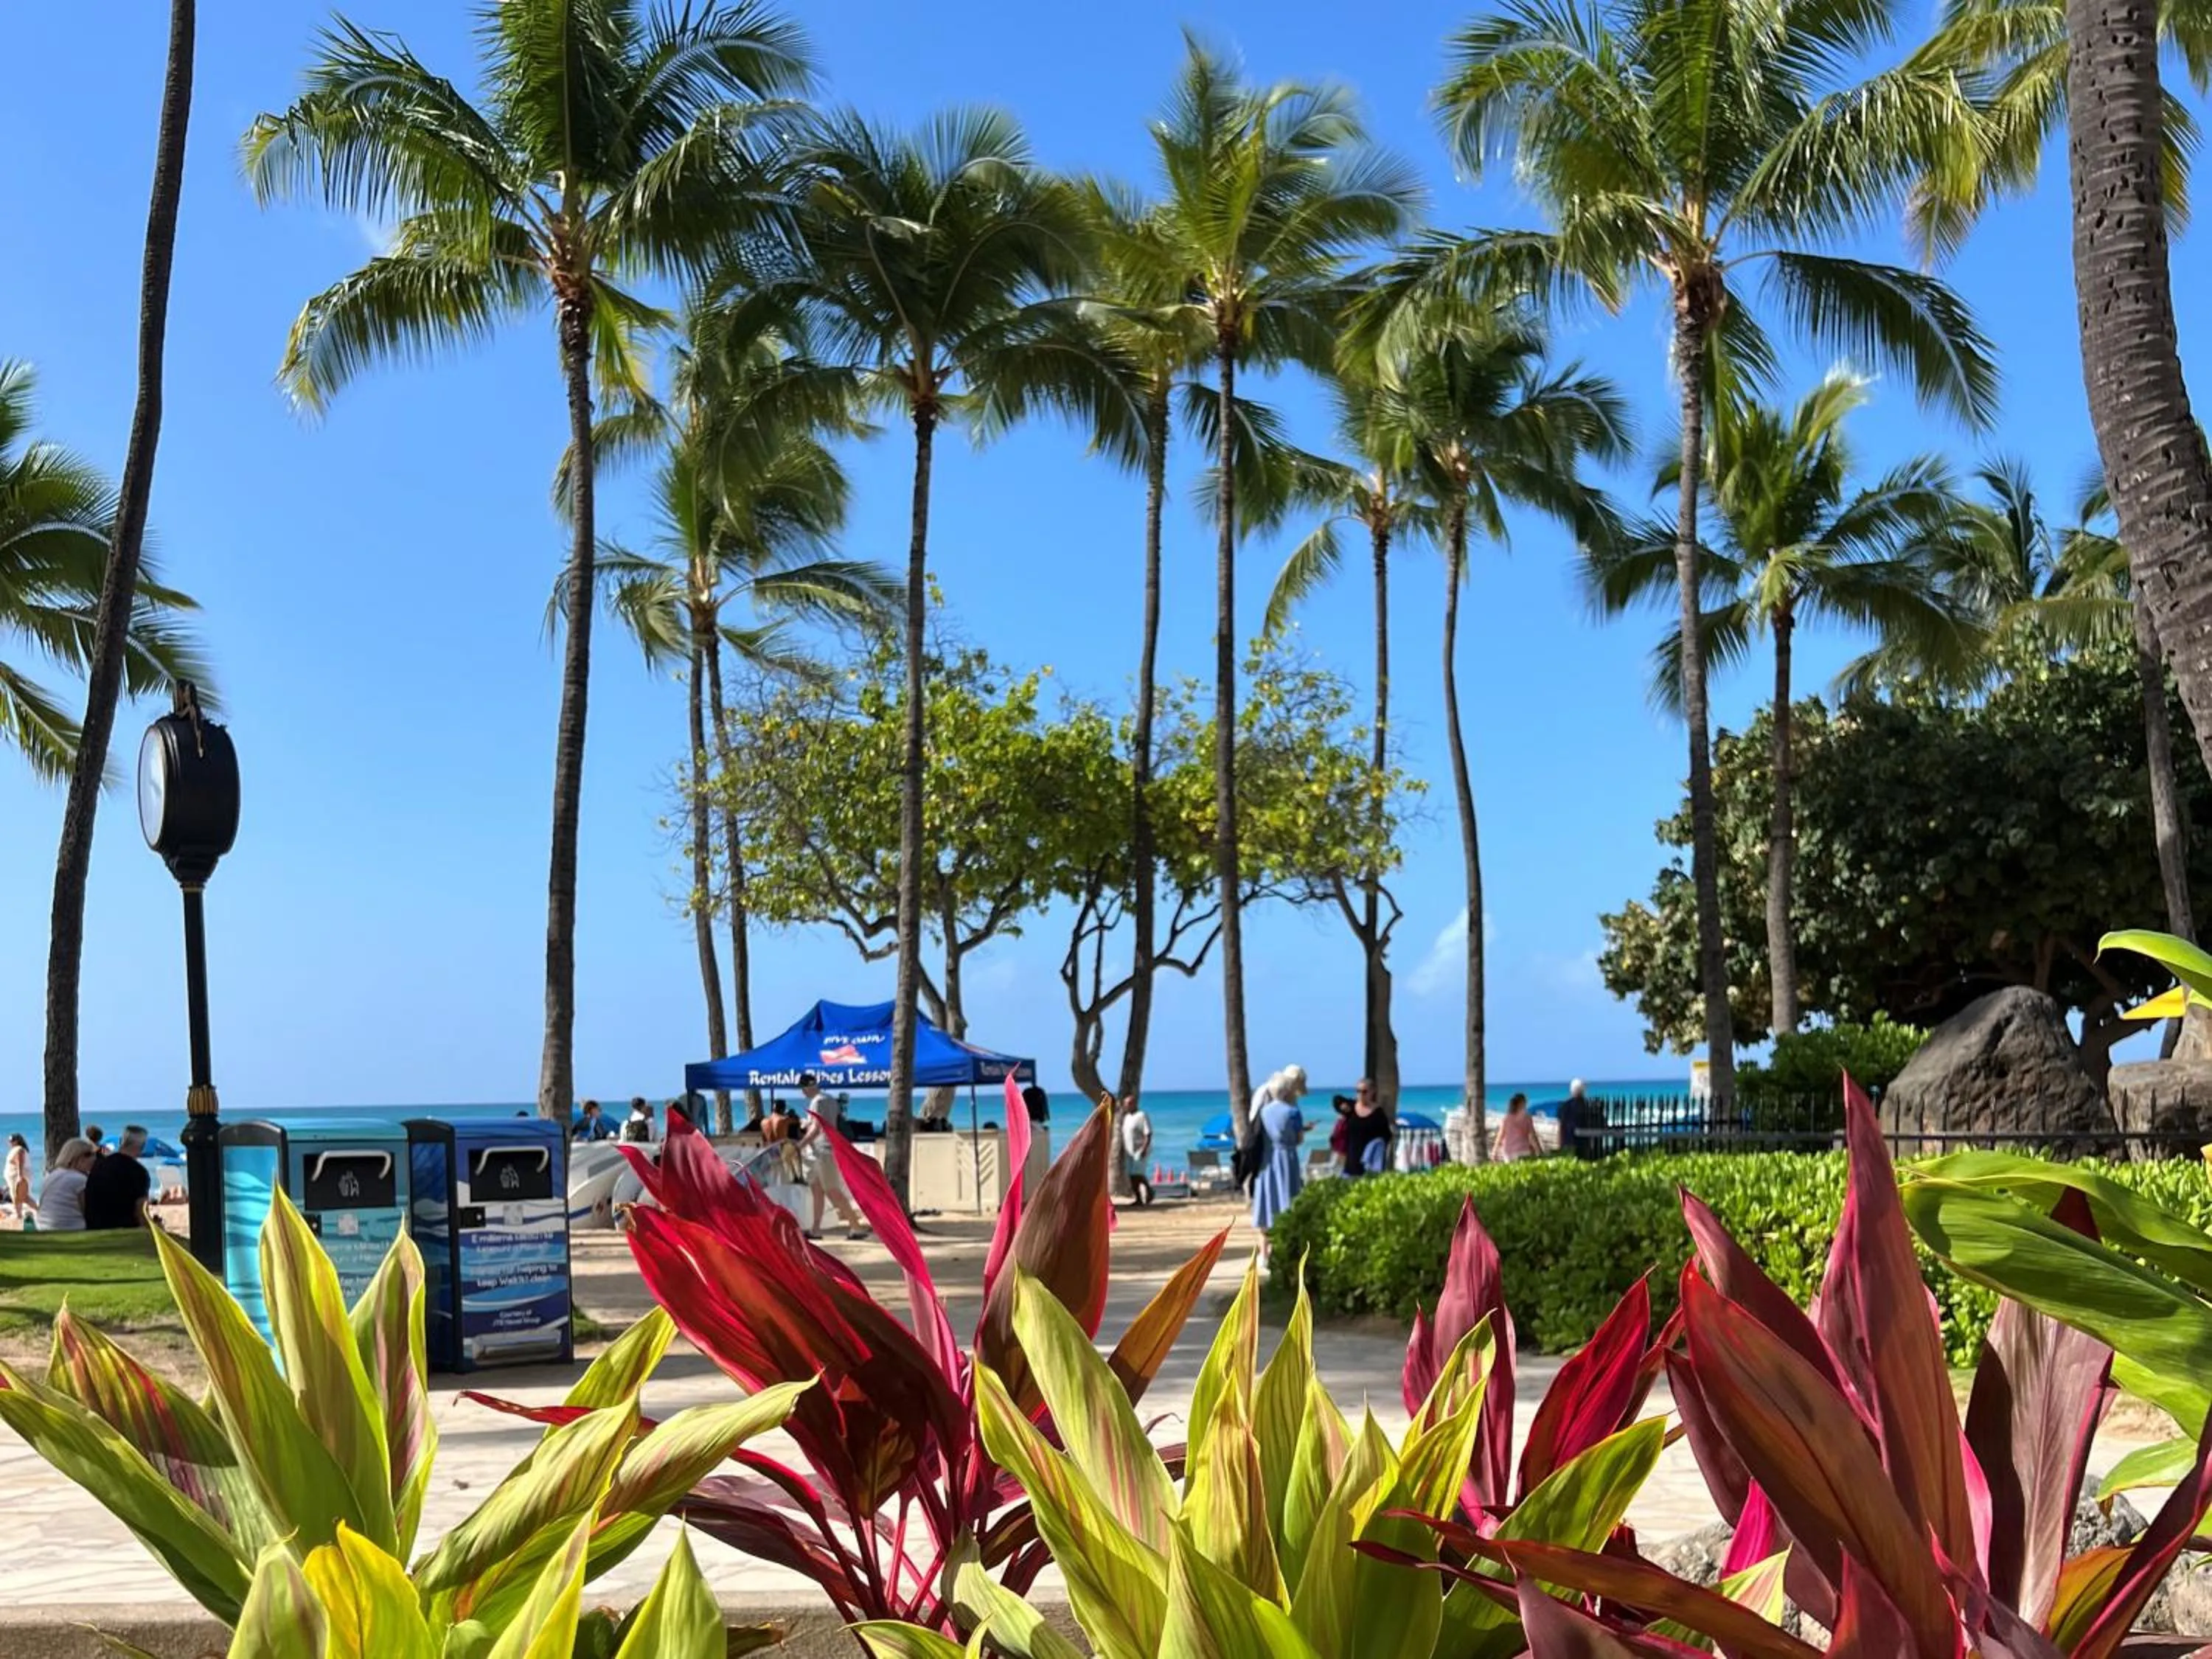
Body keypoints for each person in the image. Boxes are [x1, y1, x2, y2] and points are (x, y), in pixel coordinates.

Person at [1248, 1065, 1309, 1260]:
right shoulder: (1292, 1111)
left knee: (1267, 1200)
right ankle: (1283, 1251)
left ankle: (1264, 1254)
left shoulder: (1264, 1111)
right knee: (1287, 1198)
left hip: (1268, 1158)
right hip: (1287, 1158)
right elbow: (1299, 1139)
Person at [796, 1073, 863, 1240]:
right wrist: (807, 1124)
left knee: (832, 1190)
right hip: (823, 1150)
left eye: (803, 1088)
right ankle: (816, 1229)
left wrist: (800, 1145)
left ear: (807, 1086)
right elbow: (826, 1123)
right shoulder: (829, 1099)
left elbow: (818, 1128)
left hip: (823, 1151)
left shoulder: (818, 1101)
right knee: (817, 1191)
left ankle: (856, 1226)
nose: (803, 1093)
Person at [84, 1125, 153, 1231]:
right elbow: (141, 1211)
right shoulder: (139, 1172)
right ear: (143, 1146)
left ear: (121, 1142)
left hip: (94, 1228)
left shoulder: (99, 1165)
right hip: (125, 1230)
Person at [1336, 1079, 1393, 1177]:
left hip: (1370, 1163)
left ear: (1372, 1092)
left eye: (1364, 1092)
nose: (1361, 1094)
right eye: (1358, 1091)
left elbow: (1387, 1136)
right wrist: (1342, 1105)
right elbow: (1336, 1100)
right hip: (1351, 1162)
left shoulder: (1378, 1113)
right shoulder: (1351, 1107)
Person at [38, 1138, 97, 1231]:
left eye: (93, 1154)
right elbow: (88, 1212)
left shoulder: (53, 1175)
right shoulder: (79, 1180)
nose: (93, 1158)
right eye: (88, 1155)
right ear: (74, 1157)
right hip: (71, 1228)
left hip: (43, 1227)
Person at [1119, 1093, 1153, 1206]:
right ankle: (1138, 1198)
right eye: (1125, 1104)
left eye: (1128, 1104)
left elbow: (1148, 1133)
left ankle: (1149, 1191)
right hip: (1129, 1151)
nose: (1126, 1106)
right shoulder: (1127, 1117)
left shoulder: (1142, 1115)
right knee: (1131, 1175)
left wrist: (1144, 1148)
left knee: (1137, 1174)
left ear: (1134, 1104)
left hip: (1140, 1149)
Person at [1494, 1092, 1541, 1162]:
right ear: (1522, 1103)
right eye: (1525, 1102)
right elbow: (1533, 1136)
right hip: (1523, 1150)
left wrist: (1494, 1151)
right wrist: (1539, 1151)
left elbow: (1501, 1135)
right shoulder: (1527, 1118)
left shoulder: (1507, 1118)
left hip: (1508, 1151)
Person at [1556, 1078, 1590, 1159]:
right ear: (1584, 1091)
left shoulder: (1564, 1106)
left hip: (1567, 1142)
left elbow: (1560, 1126)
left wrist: (1559, 1144)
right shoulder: (1588, 1106)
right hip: (1584, 1143)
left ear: (1571, 1090)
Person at [5, 1133, 32, 1219]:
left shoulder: (19, 1150)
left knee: (20, 1196)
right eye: (9, 1141)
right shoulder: (16, 1150)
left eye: (12, 1140)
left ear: (17, 1141)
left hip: (17, 1176)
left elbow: (20, 1162)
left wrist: (20, 1176)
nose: (10, 1142)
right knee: (20, 1197)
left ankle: (19, 1215)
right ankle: (19, 1215)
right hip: (14, 1176)